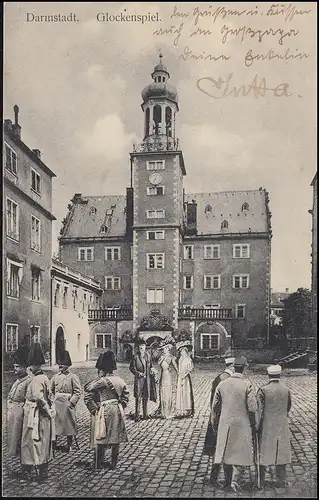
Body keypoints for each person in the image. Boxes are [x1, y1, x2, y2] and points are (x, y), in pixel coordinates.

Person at [212, 356, 258, 493]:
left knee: (226, 450)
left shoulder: (222, 384)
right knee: (241, 451)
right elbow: (252, 408)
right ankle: (235, 480)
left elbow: (215, 407)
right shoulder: (247, 384)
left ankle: (228, 480)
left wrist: (215, 424)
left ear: (234, 367)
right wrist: (254, 423)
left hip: (225, 422)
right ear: (244, 368)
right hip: (242, 423)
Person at [84, 351, 129, 470]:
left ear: (103, 368)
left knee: (101, 435)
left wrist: (94, 410)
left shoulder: (103, 381)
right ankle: (113, 463)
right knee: (116, 438)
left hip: (105, 410)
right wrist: (121, 406)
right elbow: (126, 396)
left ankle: (98, 464)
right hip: (117, 409)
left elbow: (88, 388)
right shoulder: (120, 380)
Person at [20, 343, 55, 483]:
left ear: (35, 366)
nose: (29, 368)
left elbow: (39, 399)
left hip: (35, 415)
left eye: (31, 365)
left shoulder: (37, 379)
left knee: (32, 442)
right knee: (42, 442)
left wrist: (47, 410)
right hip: (40, 415)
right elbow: (50, 396)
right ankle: (42, 471)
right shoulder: (45, 377)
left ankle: (33, 472)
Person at [257, 365, 292, 489]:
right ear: (279, 375)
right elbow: (288, 407)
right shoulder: (286, 389)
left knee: (264, 451)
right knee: (281, 451)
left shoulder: (263, 390)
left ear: (269, 375)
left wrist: (257, 426)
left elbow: (259, 411)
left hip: (267, 426)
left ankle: (261, 481)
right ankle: (281, 481)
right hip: (282, 425)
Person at [203, 357, 235, 488]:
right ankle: (228, 481)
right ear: (232, 366)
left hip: (216, 418)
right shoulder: (228, 380)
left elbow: (213, 401)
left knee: (218, 449)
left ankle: (214, 477)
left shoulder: (219, 377)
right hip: (225, 419)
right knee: (227, 450)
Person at [50, 350, 82, 452]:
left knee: (69, 424)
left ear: (67, 365)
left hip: (67, 403)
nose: (60, 367)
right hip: (57, 403)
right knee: (55, 424)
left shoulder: (73, 377)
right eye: (59, 364)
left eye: (62, 365)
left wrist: (71, 402)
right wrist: (52, 400)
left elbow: (77, 392)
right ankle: (54, 444)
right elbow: (50, 390)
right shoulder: (55, 377)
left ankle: (69, 444)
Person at [7, 347, 33, 460]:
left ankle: (26, 465)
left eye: (18, 367)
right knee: (13, 439)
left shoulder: (29, 381)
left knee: (22, 440)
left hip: (21, 415)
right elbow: (10, 395)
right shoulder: (17, 380)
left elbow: (29, 399)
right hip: (13, 414)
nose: (15, 369)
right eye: (14, 367)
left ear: (25, 367)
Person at [129, 338, 156, 422]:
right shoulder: (135, 357)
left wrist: (152, 370)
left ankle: (145, 414)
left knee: (145, 397)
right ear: (138, 347)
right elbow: (132, 368)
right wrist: (138, 373)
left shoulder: (148, 356)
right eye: (140, 346)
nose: (142, 347)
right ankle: (137, 416)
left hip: (147, 380)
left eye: (143, 346)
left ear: (145, 347)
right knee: (138, 398)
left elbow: (151, 366)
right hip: (139, 380)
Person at [153, 337, 178, 419]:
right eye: (163, 349)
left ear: (168, 349)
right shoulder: (161, 357)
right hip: (162, 376)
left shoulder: (171, 357)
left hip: (168, 376)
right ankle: (163, 411)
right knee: (162, 392)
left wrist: (179, 373)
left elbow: (175, 367)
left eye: (164, 349)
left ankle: (168, 411)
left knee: (168, 393)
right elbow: (158, 364)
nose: (163, 350)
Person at [175, 341, 194, 419]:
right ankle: (180, 410)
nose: (182, 353)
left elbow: (190, 369)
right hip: (180, 377)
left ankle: (187, 410)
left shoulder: (188, 359)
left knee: (186, 393)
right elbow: (179, 369)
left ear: (186, 352)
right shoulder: (180, 359)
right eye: (180, 351)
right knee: (180, 392)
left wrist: (184, 376)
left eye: (183, 351)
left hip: (185, 378)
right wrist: (180, 375)